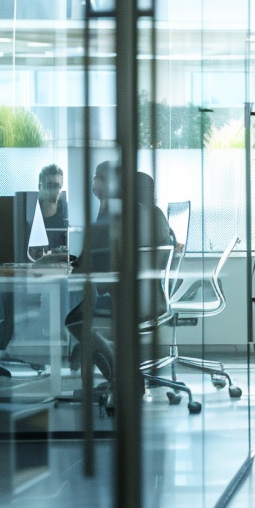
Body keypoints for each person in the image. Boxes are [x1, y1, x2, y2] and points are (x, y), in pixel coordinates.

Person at [65, 163, 174, 383]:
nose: (94, 182)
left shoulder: (117, 218)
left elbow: (90, 265)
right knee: (80, 309)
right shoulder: (152, 213)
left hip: (125, 300)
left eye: (99, 178)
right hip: (149, 298)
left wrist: (62, 263)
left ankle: (119, 378)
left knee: (74, 318)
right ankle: (116, 373)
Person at [36, 163, 70, 250]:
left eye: (57, 186)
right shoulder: (31, 213)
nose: (54, 190)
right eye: (50, 185)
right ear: (40, 186)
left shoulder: (68, 214)